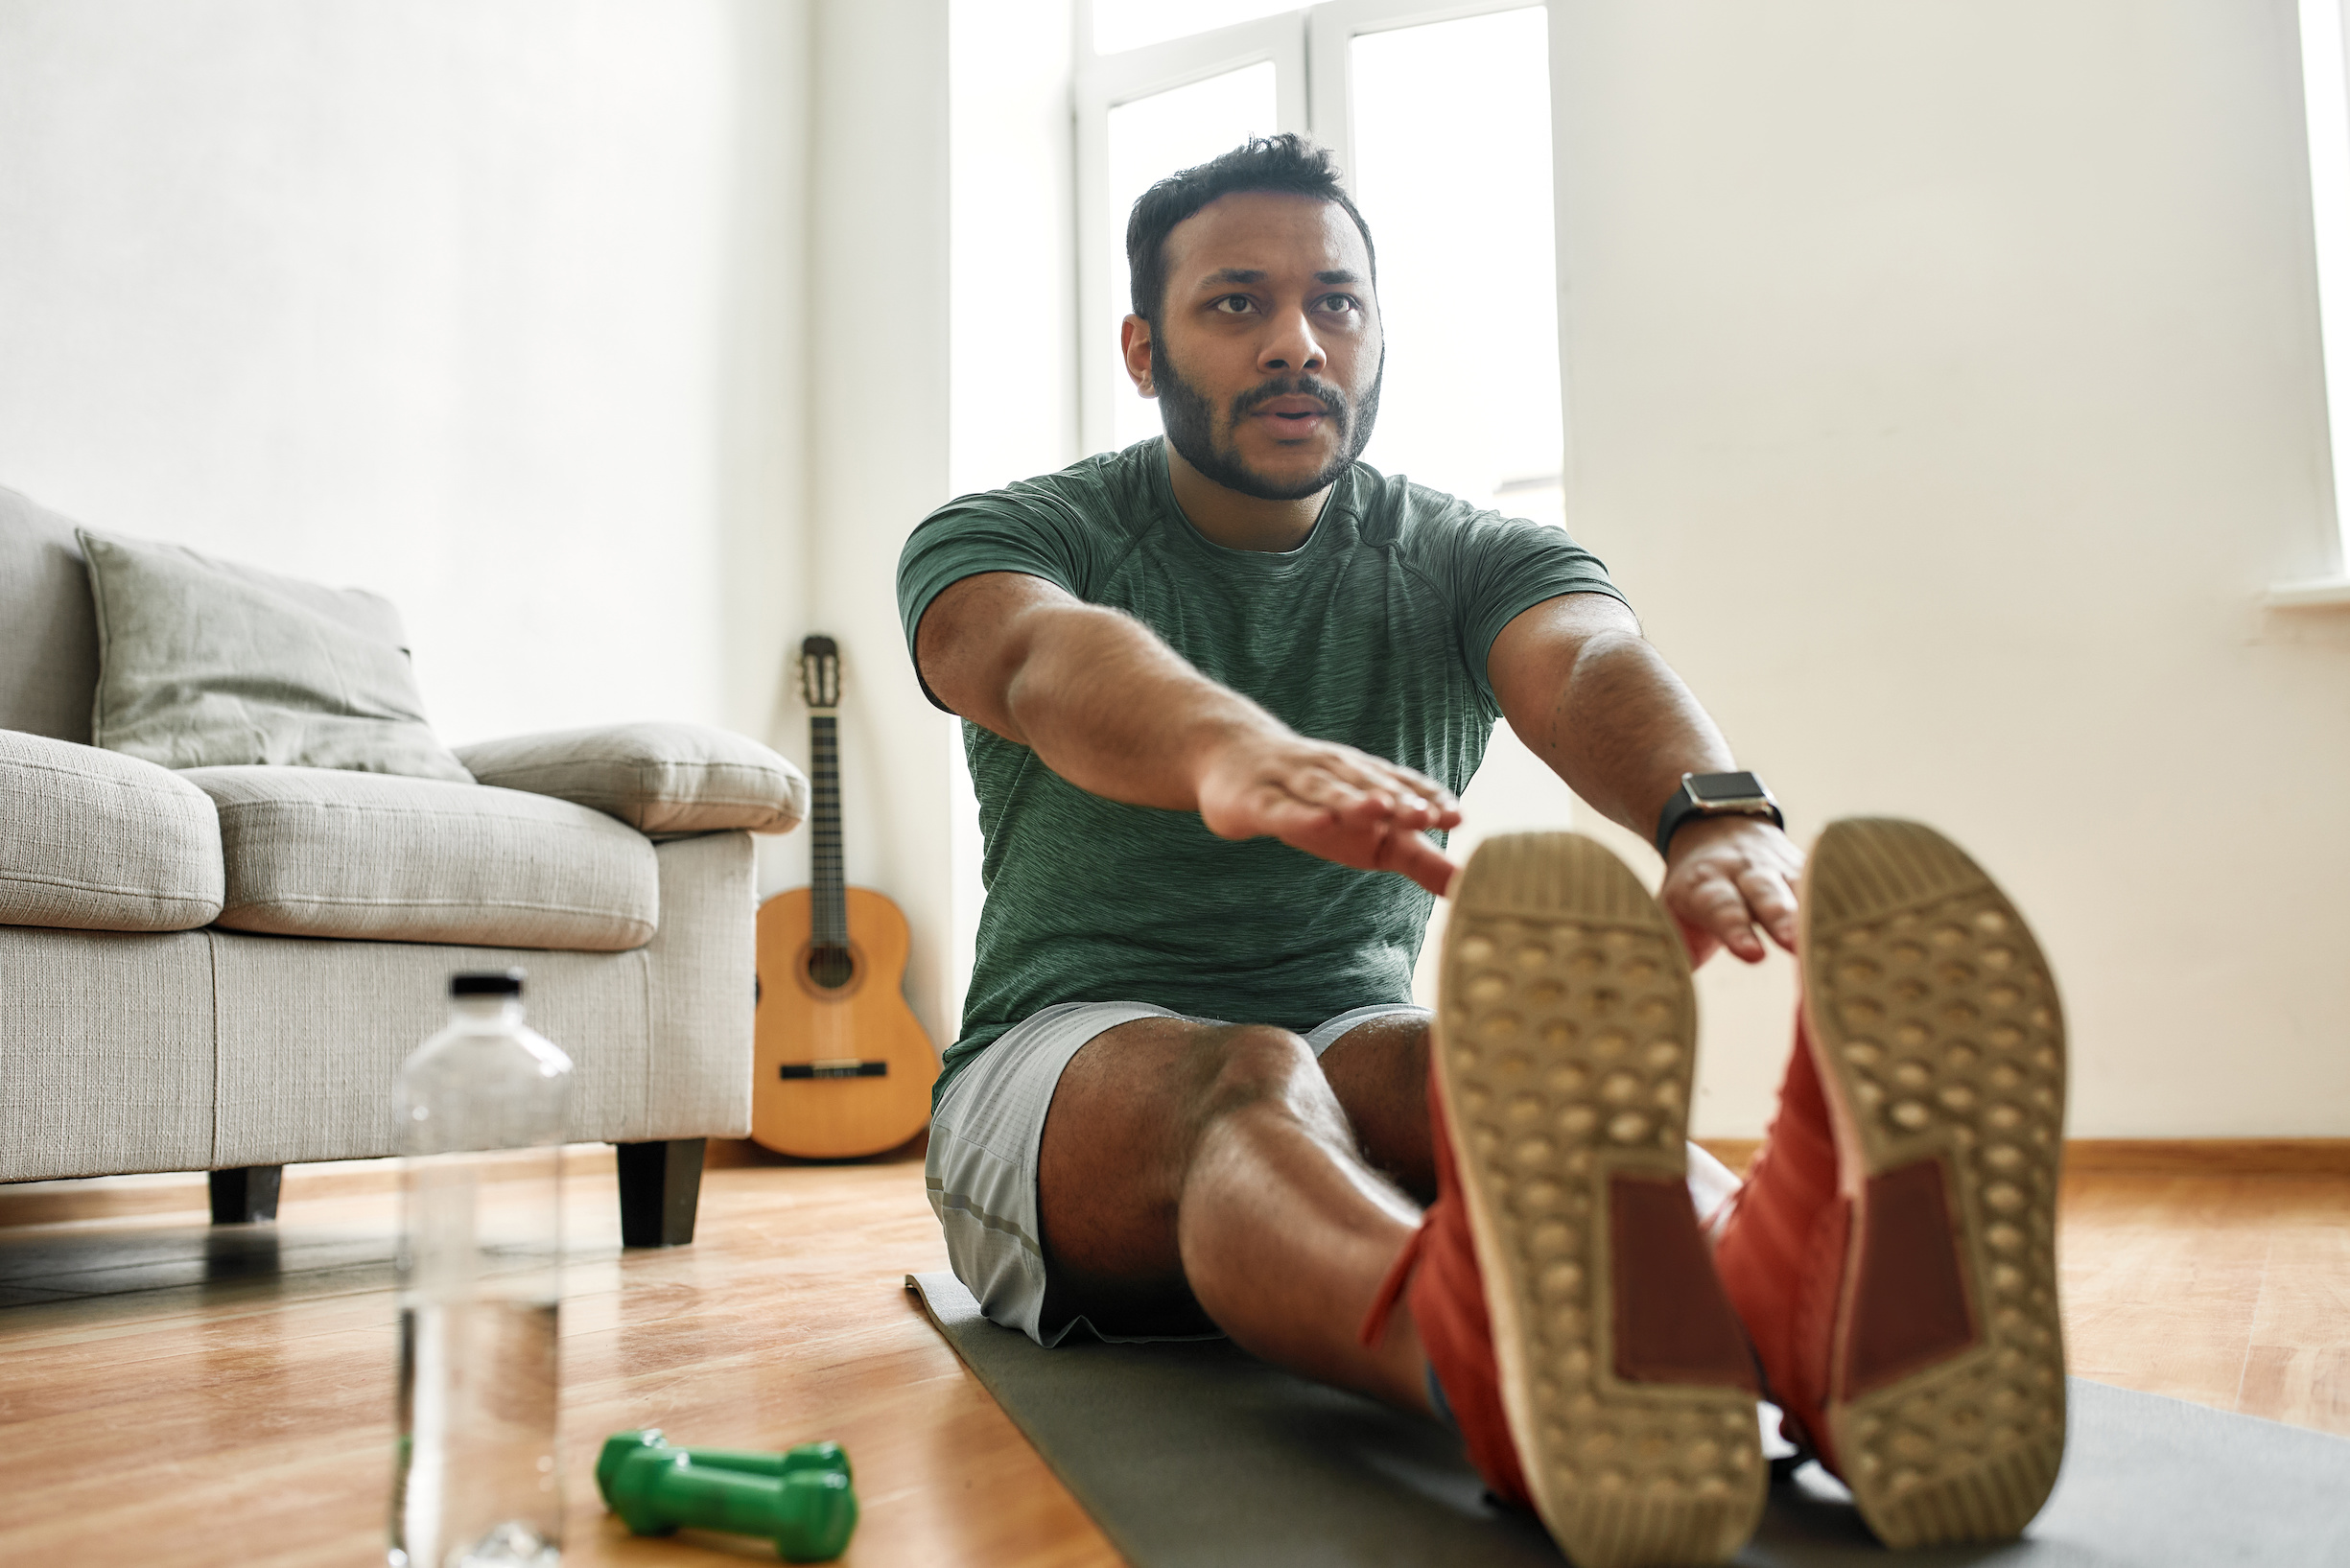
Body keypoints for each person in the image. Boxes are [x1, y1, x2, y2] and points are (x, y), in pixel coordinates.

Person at [896, 135, 2066, 1566]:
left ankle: (1788, 1309)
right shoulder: (1018, 532)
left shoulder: (1461, 553)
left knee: (1466, 1066)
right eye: (1234, 304)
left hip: (1353, 1034)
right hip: (1061, 1068)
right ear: (1142, 350)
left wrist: (1713, 819)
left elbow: (1582, 662)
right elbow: (1026, 657)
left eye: (1335, 303)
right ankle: (1478, 1366)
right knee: (1246, 1068)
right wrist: (1226, 749)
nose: (1295, 343)